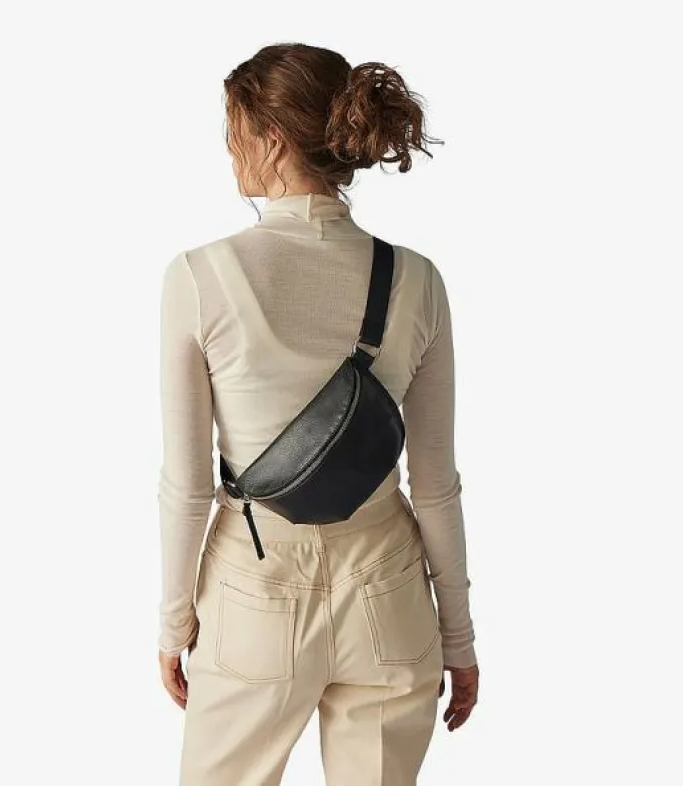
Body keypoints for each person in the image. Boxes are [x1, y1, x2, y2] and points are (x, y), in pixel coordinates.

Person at [157, 42, 479, 785]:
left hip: (254, 592)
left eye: (236, 131)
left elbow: (187, 487)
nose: (230, 149)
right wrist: (457, 638)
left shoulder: (200, 277)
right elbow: (435, 486)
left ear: (272, 139)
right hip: (390, 595)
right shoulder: (418, 279)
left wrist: (175, 623)